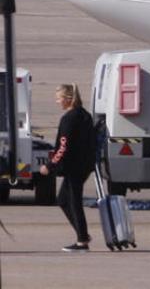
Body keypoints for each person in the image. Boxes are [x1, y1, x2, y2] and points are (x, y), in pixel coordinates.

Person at [39, 84, 95, 252]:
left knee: (73, 201)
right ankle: (83, 235)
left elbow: (63, 146)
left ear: (68, 99)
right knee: (63, 200)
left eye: (59, 98)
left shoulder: (69, 119)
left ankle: (82, 242)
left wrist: (50, 166)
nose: (58, 102)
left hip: (74, 167)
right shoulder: (85, 115)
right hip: (84, 165)